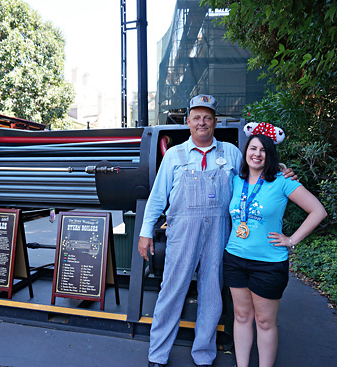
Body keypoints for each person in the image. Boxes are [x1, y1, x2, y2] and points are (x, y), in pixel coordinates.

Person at [138, 95, 295, 367]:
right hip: (182, 233)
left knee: (212, 295)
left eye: (207, 118)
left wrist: (279, 171)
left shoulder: (232, 153)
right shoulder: (174, 155)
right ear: (187, 121)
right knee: (171, 292)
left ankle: (203, 355)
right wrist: (145, 232)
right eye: (196, 117)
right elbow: (156, 198)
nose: (202, 122)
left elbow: (256, 173)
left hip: (219, 234)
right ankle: (157, 356)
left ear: (215, 122)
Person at [223, 125, 326, 367]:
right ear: (246, 151)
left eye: (263, 150)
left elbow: (318, 211)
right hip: (234, 259)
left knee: (265, 322)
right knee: (241, 316)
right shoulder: (236, 180)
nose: (257, 154)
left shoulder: (282, 181)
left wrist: (291, 240)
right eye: (253, 148)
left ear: (271, 154)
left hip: (268, 264)